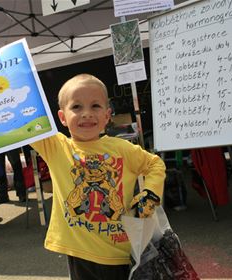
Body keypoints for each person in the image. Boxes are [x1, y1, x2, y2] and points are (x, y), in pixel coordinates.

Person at [30, 73, 166, 280]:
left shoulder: (122, 148)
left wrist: (151, 193)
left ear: (107, 115)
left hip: (124, 253)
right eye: (76, 107)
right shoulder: (55, 146)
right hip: (81, 254)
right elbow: (20, 118)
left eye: (95, 106)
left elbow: (155, 164)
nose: (86, 114)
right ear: (62, 117)